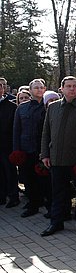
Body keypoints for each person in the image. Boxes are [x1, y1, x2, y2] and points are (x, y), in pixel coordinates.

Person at [40, 76, 76, 236]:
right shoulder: (52, 108)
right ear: (62, 89)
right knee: (58, 192)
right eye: (69, 86)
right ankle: (56, 222)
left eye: (75, 86)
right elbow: (46, 133)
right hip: (57, 158)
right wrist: (45, 154)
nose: (72, 89)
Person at [13, 79, 47, 216]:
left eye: (41, 87)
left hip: (41, 150)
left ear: (44, 89)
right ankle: (33, 205)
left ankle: (46, 204)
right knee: (28, 179)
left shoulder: (49, 107)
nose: (39, 90)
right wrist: (16, 150)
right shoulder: (22, 108)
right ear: (31, 90)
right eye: (36, 88)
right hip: (25, 149)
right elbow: (16, 130)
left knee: (43, 180)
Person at [0, 79, 19, 208]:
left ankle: (14, 197)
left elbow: (15, 128)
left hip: (7, 145)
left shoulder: (12, 106)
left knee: (10, 172)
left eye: (0, 86)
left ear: (3, 89)